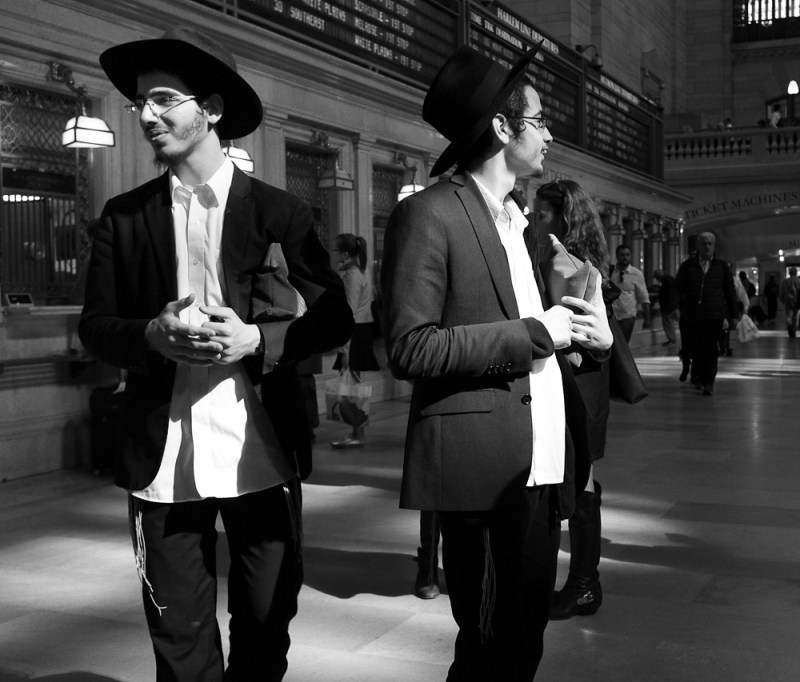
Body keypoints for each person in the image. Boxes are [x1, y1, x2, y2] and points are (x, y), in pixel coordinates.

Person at [78, 27, 352, 681]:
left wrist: (258, 339)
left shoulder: (280, 214)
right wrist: (150, 335)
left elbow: (336, 318)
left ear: (214, 110)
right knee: (179, 639)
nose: (147, 115)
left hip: (261, 451)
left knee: (265, 628)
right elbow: (95, 325)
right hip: (162, 460)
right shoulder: (123, 218)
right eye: (140, 103)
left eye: (164, 99)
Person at [380, 43, 611, 682]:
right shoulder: (428, 214)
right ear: (503, 129)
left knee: (525, 638)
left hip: (540, 463)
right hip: (481, 466)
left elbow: (553, 337)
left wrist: (593, 336)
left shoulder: (523, 227)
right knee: (488, 646)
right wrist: (538, 331)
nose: (549, 134)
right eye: (538, 120)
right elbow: (411, 346)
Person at [532, 179, 614, 621]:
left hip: (577, 385)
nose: (534, 218)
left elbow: (579, 336)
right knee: (582, 483)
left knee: (581, 487)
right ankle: (585, 584)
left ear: (564, 217)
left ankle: (584, 586)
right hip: (586, 384)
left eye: (542, 213)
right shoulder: (579, 258)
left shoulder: (563, 263)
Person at [675, 232, 739, 396]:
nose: (707, 247)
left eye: (710, 243)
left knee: (711, 348)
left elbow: (730, 292)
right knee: (696, 348)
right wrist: (675, 308)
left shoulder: (722, 267)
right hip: (693, 315)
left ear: (714, 246)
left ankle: (708, 381)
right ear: (698, 246)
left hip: (714, 314)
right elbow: (677, 288)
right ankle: (698, 375)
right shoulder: (688, 266)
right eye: (704, 243)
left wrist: (734, 315)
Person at [330, 233, 379, 448]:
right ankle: (357, 431)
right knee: (355, 384)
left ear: (346, 253)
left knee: (353, 386)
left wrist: (345, 348)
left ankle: (357, 433)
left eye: (336, 250)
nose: (334, 254)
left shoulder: (351, 275)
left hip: (354, 332)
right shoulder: (362, 270)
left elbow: (348, 311)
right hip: (362, 330)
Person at [609, 244, 651, 342]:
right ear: (617, 256)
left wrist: (647, 318)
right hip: (611, 315)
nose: (625, 257)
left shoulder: (637, 274)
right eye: (622, 255)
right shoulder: (610, 272)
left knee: (623, 343)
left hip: (628, 315)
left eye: (627, 255)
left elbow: (644, 297)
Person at [652, 268, 680, 347]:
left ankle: (671, 339)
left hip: (668, 307)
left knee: (668, 323)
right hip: (672, 306)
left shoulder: (667, 281)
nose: (657, 279)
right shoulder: (669, 280)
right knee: (670, 324)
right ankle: (672, 339)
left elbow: (667, 295)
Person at [780, 266, 800, 338]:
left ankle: (790, 329)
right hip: (797, 301)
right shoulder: (799, 281)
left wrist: (782, 299)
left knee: (788, 315)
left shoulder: (785, 281)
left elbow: (782, 292)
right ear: (796, 272)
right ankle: (794, 330)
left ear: (789, 273)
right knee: (795, 316)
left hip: (788, 301)